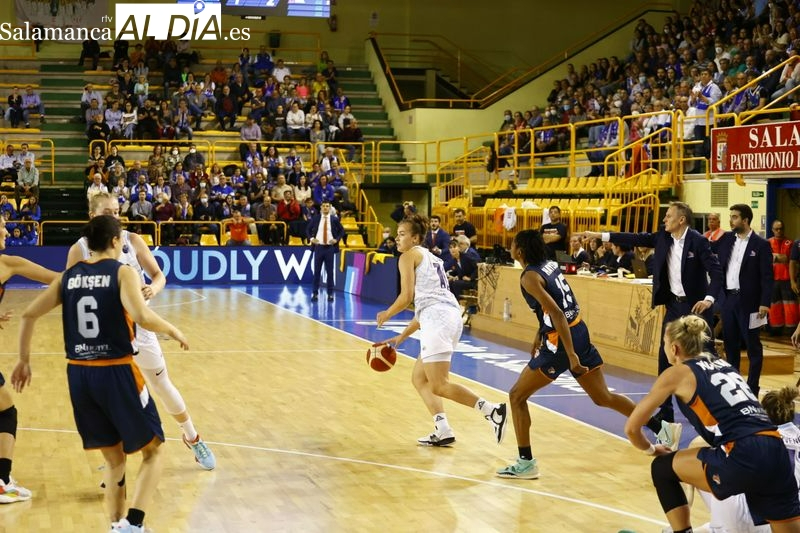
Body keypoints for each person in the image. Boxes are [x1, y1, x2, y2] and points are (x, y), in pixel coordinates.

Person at [12, 215, 189, 533]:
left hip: (79, 376)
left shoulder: (69, 277)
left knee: (113, 459)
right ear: (113, 242)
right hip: (116, 371)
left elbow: (28, 314)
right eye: (121, 238)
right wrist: (173, 329)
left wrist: (23, 360)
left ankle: (116, 524)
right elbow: (141, 316)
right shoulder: (122, 272)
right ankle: (134, 524)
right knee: (153, 451)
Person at [497, 229, 673, 480]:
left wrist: (569, 354)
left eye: (513, 243)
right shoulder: (548, 265)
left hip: (561, 341)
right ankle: (660, 426)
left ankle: (526, 462)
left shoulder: (529, 277)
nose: (510, 246)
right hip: (578, 329)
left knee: (516, 396)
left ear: (520, 251)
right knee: (603, 397)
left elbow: (557, 313)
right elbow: (560, 306)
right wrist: (540, 333)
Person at [65, 194, 216, 470]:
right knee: (108, 394)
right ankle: (114, 460)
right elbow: (71, 292)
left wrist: (152, 289)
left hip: (140, 328)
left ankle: (192, 437)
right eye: (106, 212)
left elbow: (159, 275)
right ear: (92, 216)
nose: (113, 217)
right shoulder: (79, 249)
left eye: (116, 211)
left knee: (161, 384)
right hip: (105, 333)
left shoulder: (132, 240)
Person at [624, 315, 800, 533]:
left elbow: (632, 428)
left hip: (742, 452)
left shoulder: (677, 373)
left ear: (675, 348)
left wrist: (651, 449)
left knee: (661, 468)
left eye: (664, 344)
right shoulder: (725, 365)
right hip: (776, 448)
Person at [582, 201, 723, 423]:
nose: (664, 220)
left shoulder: (698, 241)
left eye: (668, 216)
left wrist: (708, 299)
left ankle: (718, 407)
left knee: (706, 356)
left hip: (696, 306)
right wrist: (600, 235)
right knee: (664, 356)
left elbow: (716, 271)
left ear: (681, 220)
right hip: (674, 306)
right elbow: (634, 238)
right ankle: (665, 411)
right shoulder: (662, 237)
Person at [375, 213, 507, 447]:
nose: (397, 238)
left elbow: (406, 298)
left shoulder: (407, 256)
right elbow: (425, 308)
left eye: (402, 234)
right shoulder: (430, 257)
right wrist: (402, 337)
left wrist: (387, 314)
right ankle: (443, 429)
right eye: (397, 234)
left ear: (415, 238)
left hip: (438, 318)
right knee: (419, 377)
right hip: (449, 315)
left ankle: (492, 411)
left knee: (439, 384)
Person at [0, 217, 59, 503]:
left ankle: (1, 478)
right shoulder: (6, 264)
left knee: (5, 409)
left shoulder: (8, 263)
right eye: (0, 226)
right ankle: (0, 481)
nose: (5, 230)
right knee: (6, 412)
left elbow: (53, 277)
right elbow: (58, 278)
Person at [712, 204, 773, 397]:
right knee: (731, 344)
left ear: (745, 220)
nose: (731, 220)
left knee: (753, 345)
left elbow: (767, 277)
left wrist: (765, 302)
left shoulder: (761, 245)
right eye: (731, 216)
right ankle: (734, 387)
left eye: (735, 217)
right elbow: (709, 251)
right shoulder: (726, 239)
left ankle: (752, 387)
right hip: (729, 298)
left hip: (751, 303)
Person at [307, 201, 344, 302]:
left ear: (330, 208)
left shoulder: (334, 219)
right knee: (317, 272)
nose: (325, 208)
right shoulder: (316, 218)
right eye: (323, 206)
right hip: (319, 247)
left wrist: (336, 239)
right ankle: (315, 293)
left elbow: (342, 231)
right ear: (321, 208)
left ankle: (330, 294)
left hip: (329, 248)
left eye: (327, 206)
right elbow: (308, 230)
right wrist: (311, 239)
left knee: (330, 272)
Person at [769, 219, 798, 336]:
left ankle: (792, 329)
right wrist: (779, 257)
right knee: (774, 305)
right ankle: (775, 329)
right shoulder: (767, 243)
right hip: (773, 280)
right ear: (772, 230)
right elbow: (766, 259)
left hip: (787, 279)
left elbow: (789, 259)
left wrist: (774, 257)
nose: (779, 231)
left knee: (790, 305)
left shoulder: (791, 243)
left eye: (781, 229)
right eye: (776, 229)